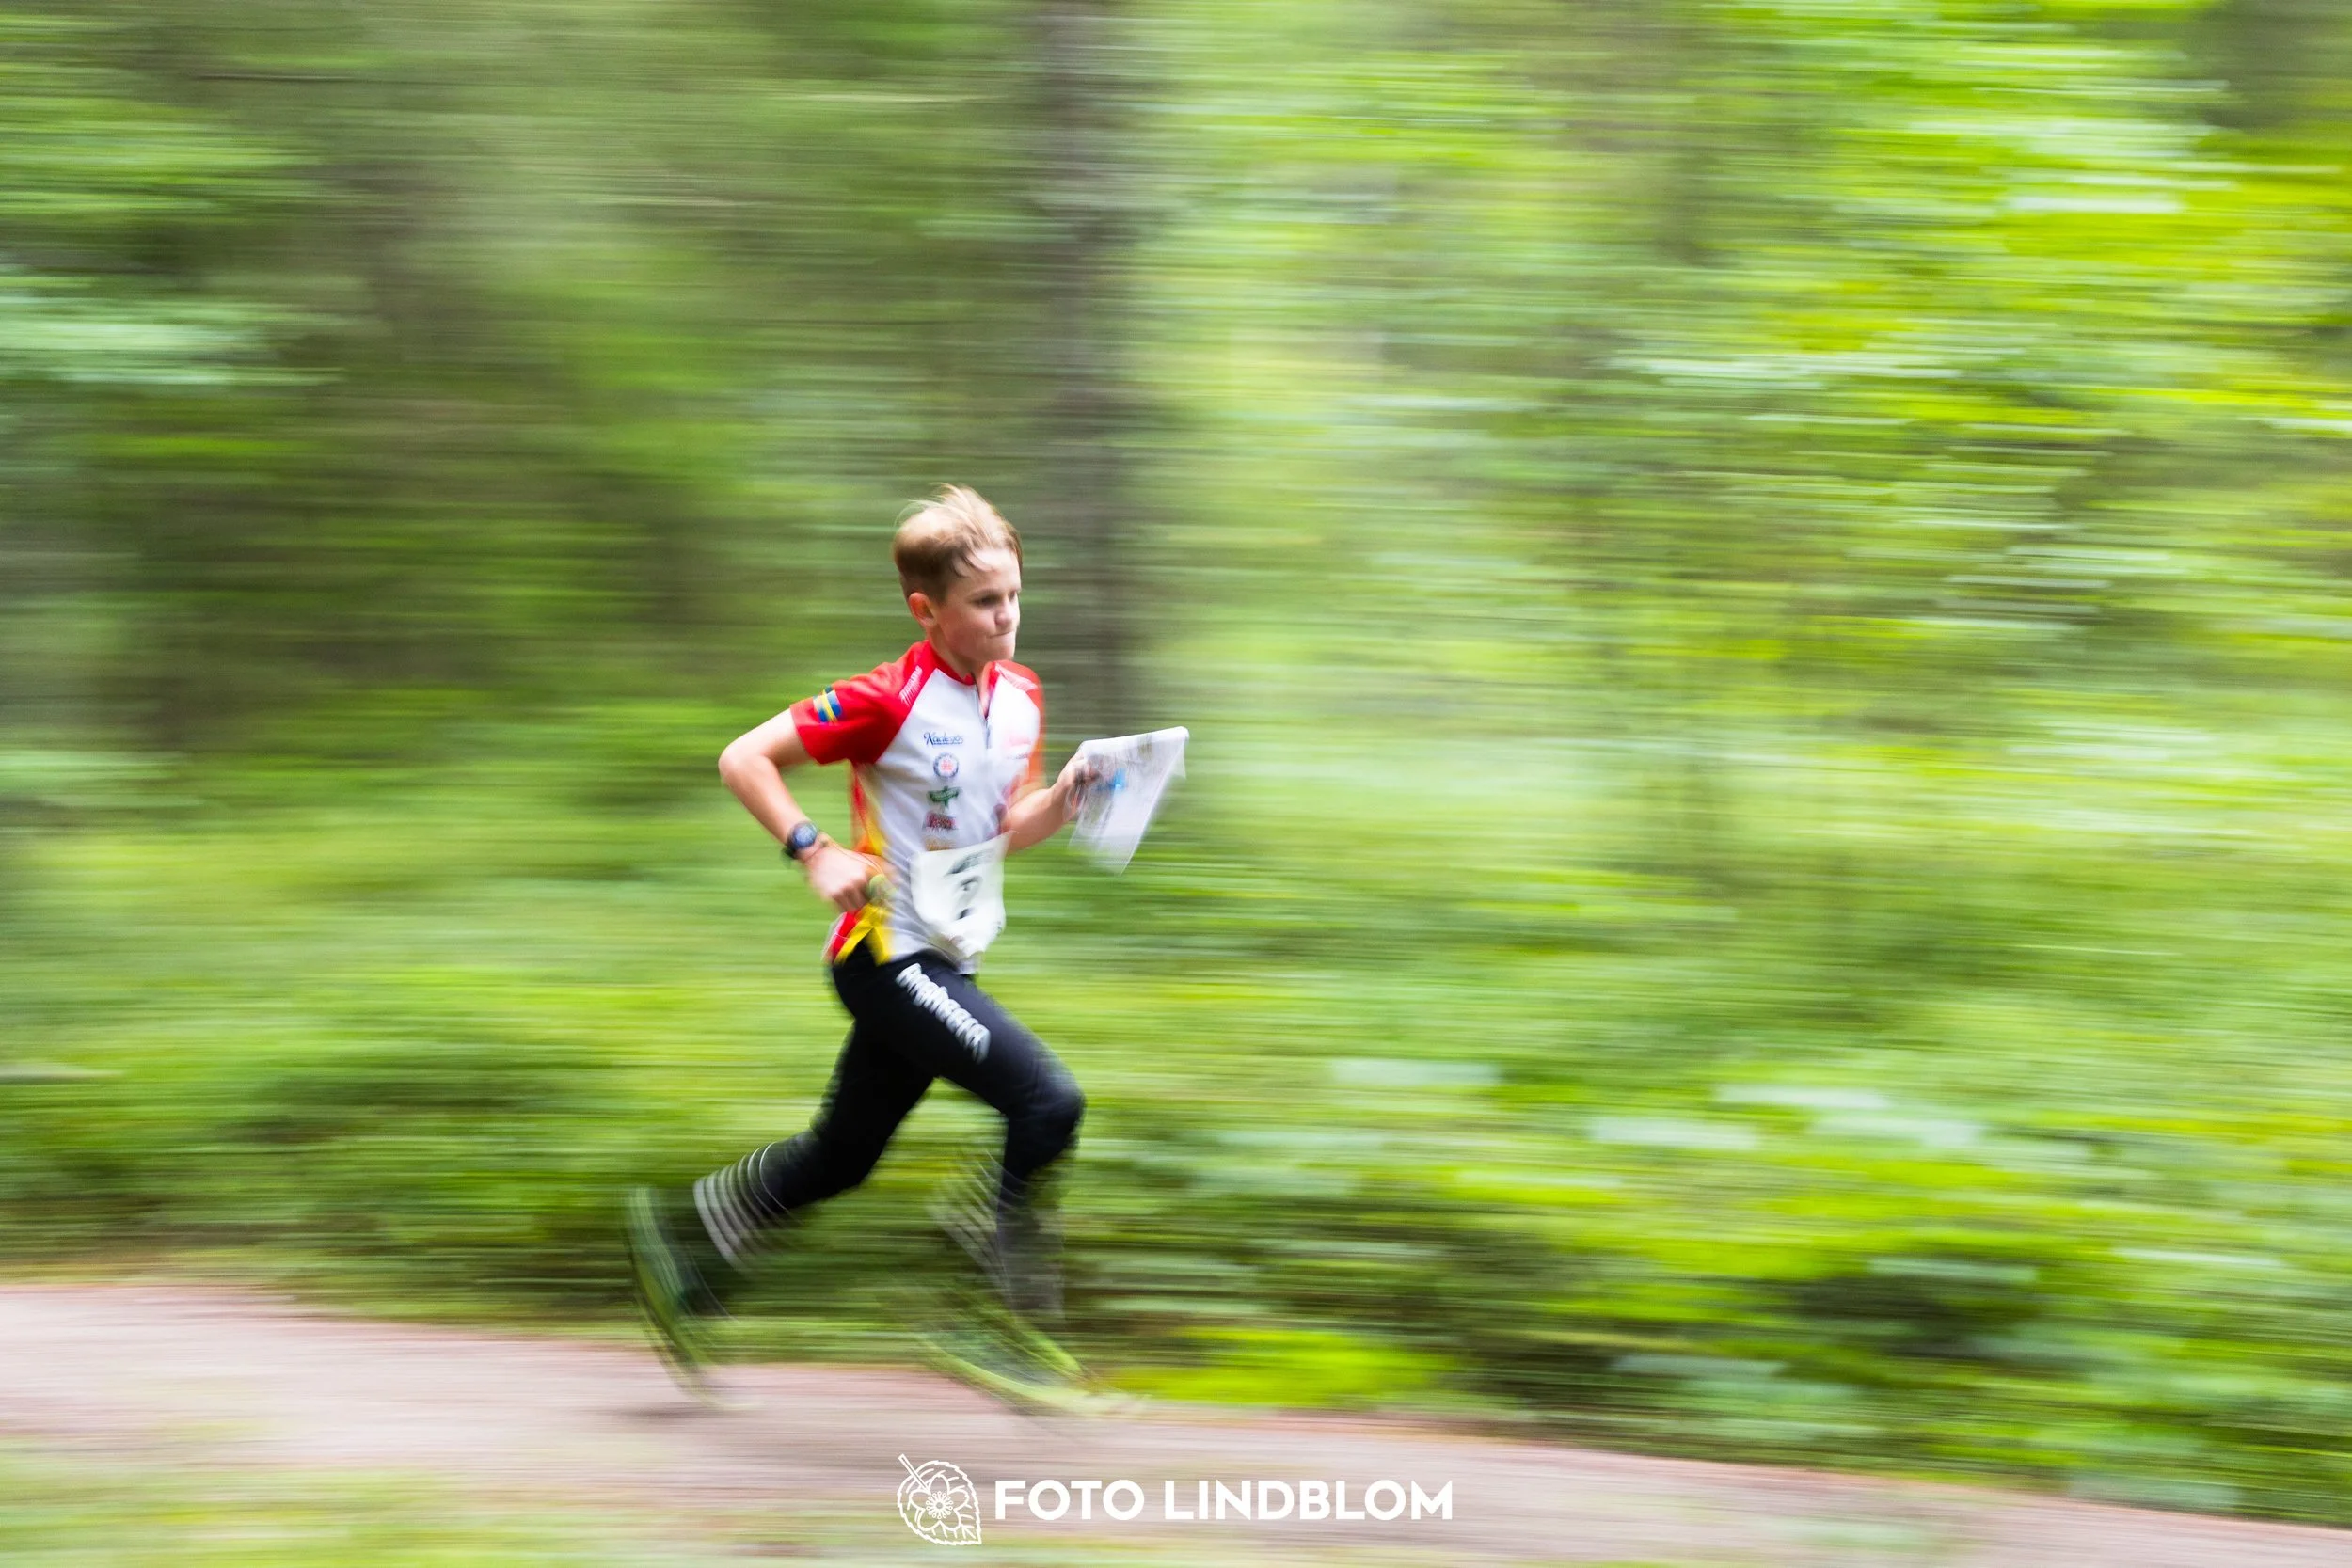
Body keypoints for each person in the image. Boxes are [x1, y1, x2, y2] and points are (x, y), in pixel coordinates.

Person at [625, 485, 1097, 1391]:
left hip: (948, 958)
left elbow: (1007, 826)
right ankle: (982, 1315)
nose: (1008, 616)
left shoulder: (1022, 696)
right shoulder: (888, 699)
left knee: (842, 1157)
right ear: (927, 610)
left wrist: (1069, 798)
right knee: (1048, 1103)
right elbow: (742, 758)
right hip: (886, 955)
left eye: (1014, 594)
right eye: (984, 601)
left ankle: (685, 1249)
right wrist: (813, 849)